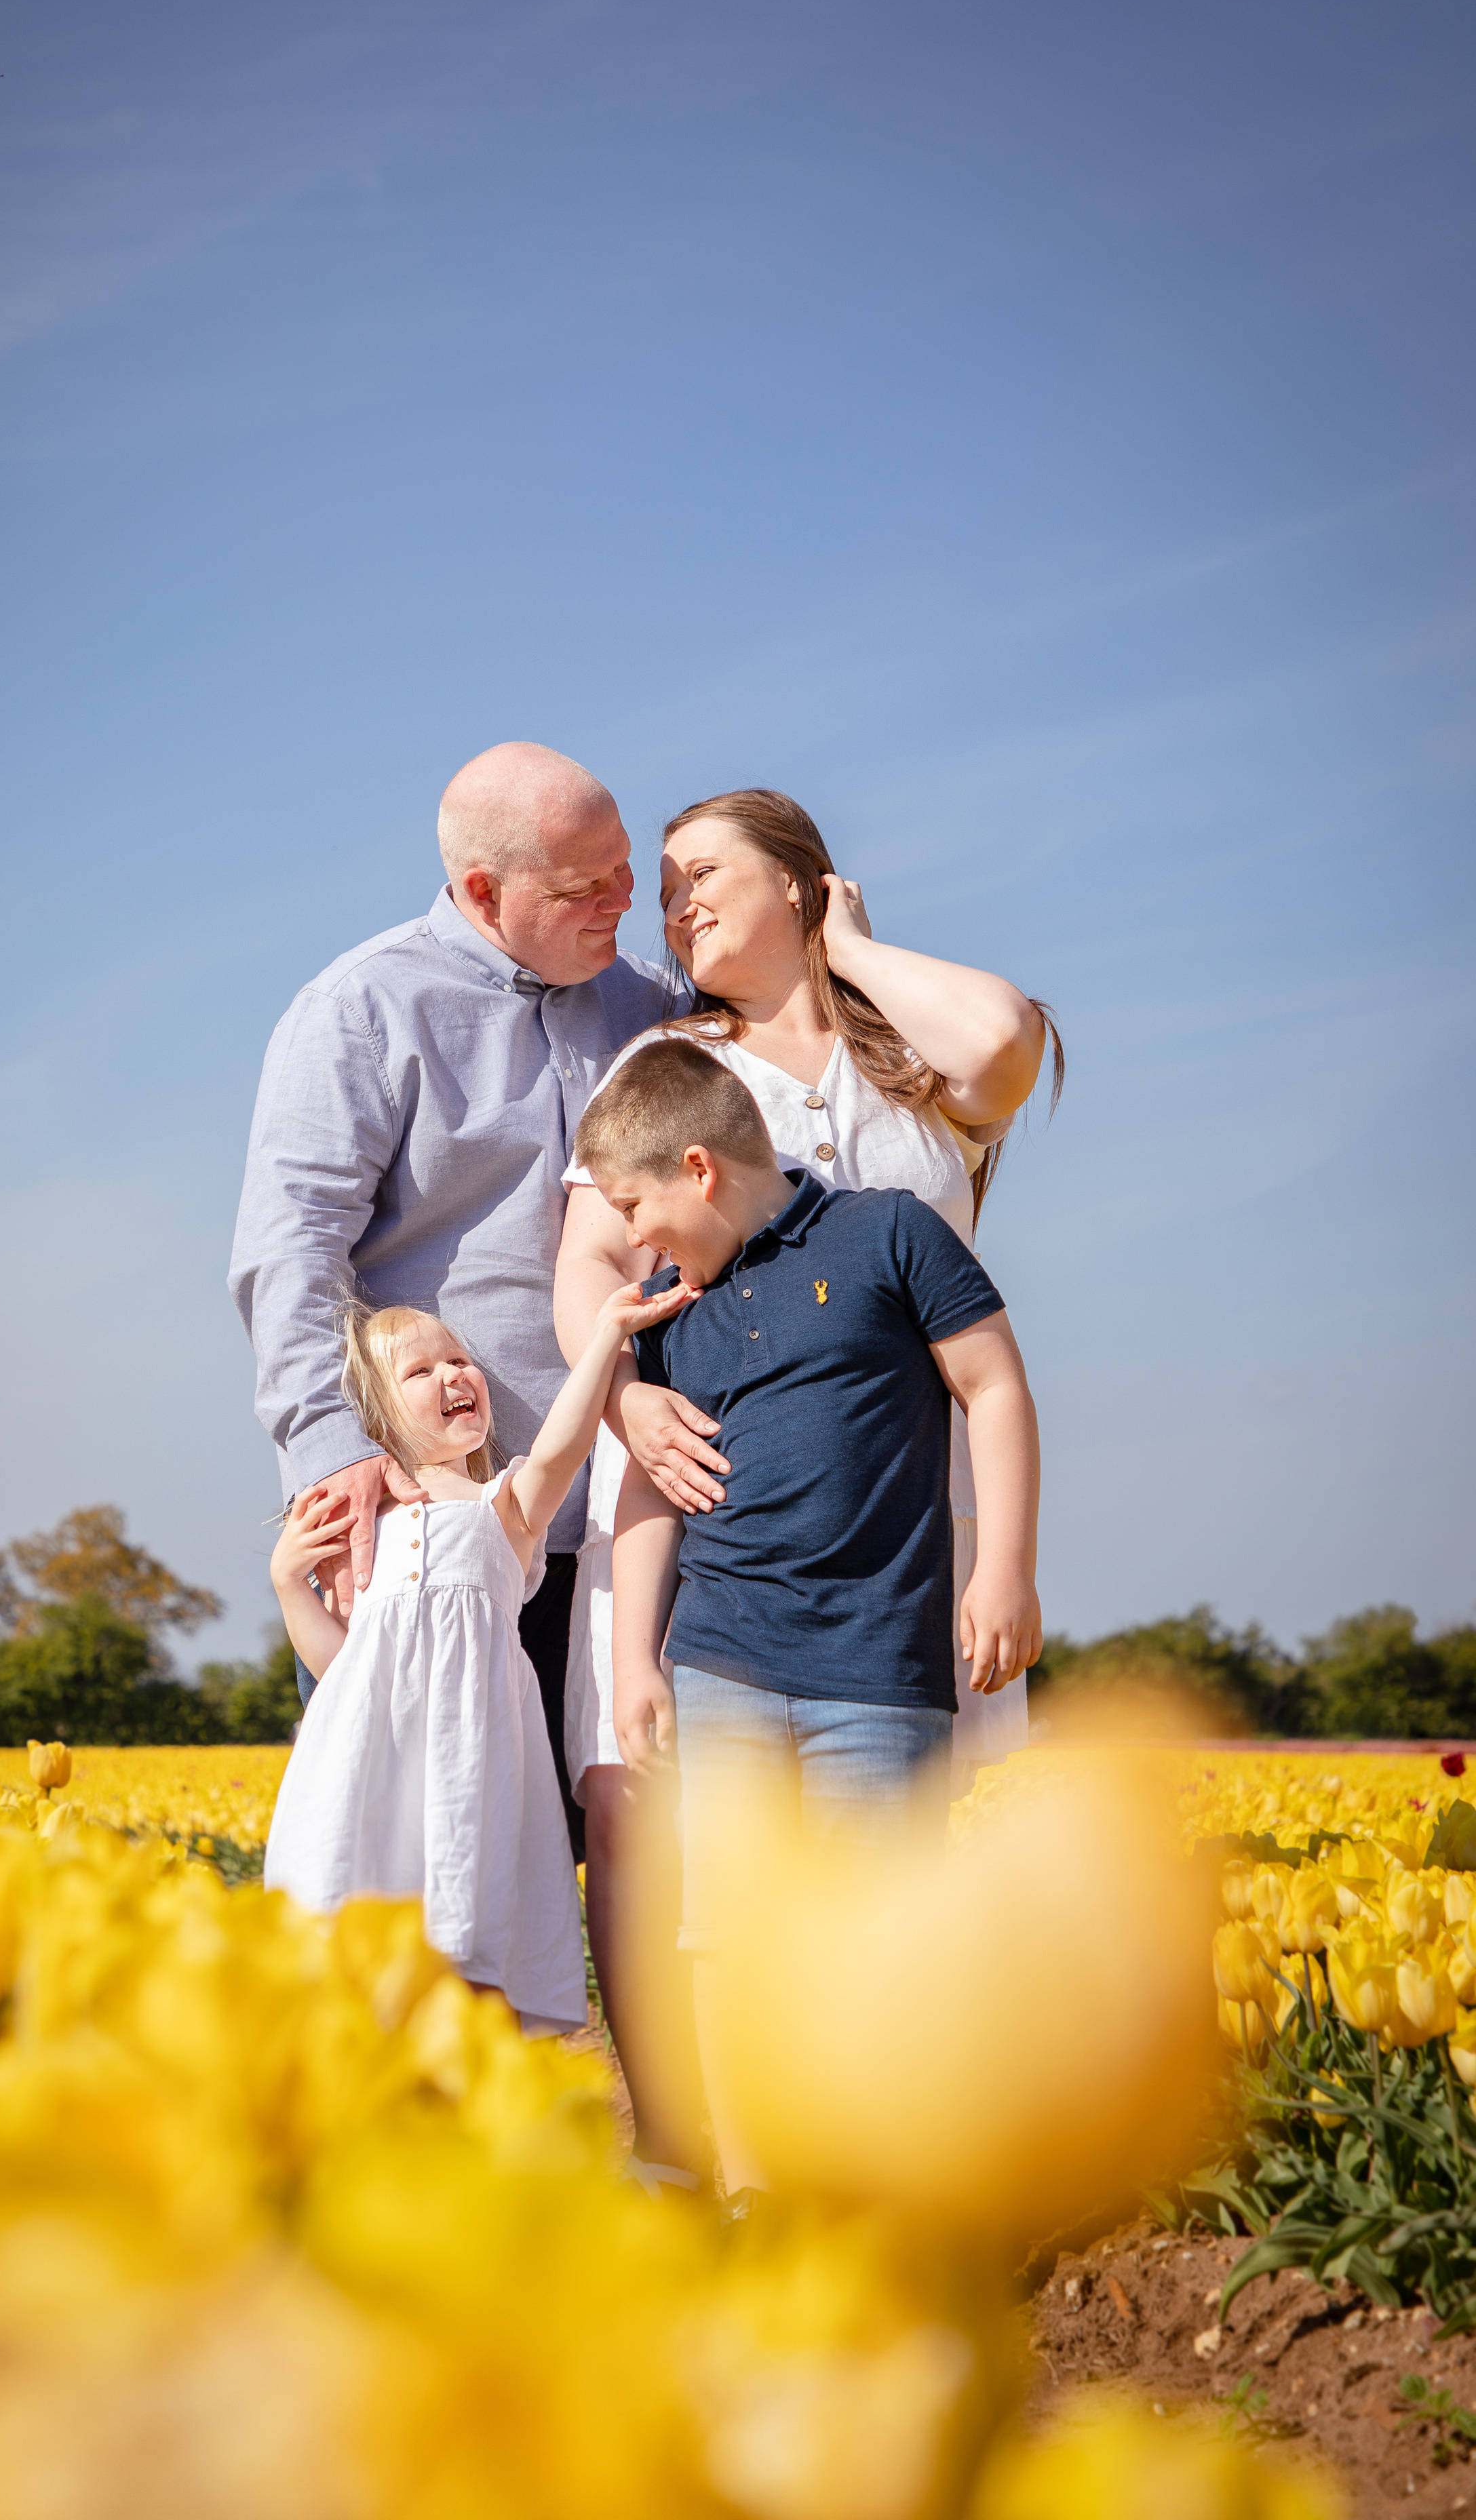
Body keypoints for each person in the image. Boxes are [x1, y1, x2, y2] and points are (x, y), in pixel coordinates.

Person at [551, 787, 1057, 2153]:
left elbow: (1007, 1039)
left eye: (701, 872)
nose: (674, 905)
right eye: (662, 887)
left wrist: (850, 954)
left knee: (888, 1847)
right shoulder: (666, 1061)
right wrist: (618, 1420)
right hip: (697, 1474)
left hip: (892, 1525)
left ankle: (880, 2149)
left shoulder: (915, 1068)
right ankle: (692, 2153)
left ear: (802, 883)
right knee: (686, 1853)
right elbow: (585, 1269)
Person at [229, 741, 707, 1857]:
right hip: (427, 1535)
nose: (627, 902)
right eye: (585, 885)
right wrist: (340, 1457)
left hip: (626, 1523)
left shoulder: (657, 1012)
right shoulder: (359, 1011)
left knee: (640, 1877)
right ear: (485, 892)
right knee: (418, 1876)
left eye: (627, 870)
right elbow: (288, 1252)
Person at [261, 1270, 692, 2035]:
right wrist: (290, 1584)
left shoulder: (507, 1507)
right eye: (419, 1372)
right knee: (364, 1953)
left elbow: (563, 1440)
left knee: (472, 1939)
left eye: (458, 1361)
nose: (453, 1375)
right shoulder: (367, 1530)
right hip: (371, 1772)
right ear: (376, 1414)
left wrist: (603, 1337)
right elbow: (343, 1674)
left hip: (467, 1770)